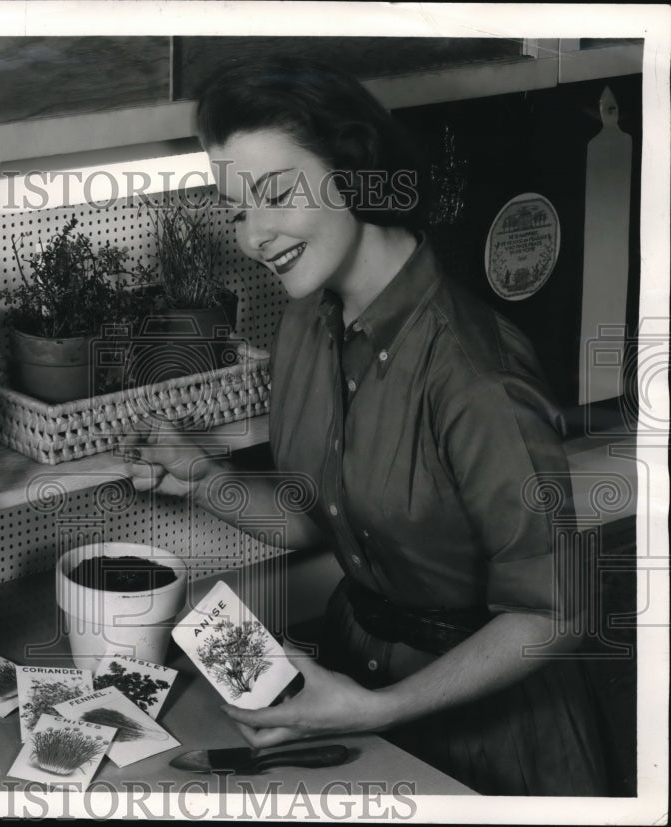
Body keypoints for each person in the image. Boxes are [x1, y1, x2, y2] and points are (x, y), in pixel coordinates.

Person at [123, 57, 608, 796]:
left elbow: (557, 611)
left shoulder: (474, 371)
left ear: (354, 171)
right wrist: (205, 479)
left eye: (276, 193)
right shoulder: (303, 323)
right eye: (236, 209)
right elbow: (326, 521)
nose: (255, 235)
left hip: (498, 739)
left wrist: (379, 706)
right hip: (352, 697)